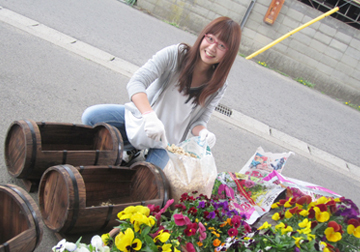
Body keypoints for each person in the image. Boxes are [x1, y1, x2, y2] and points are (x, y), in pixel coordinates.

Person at [82, 16, 241, 169]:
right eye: (211, 39)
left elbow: (198, 121)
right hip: (142, 121)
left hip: (167, 142)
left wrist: (204, 132)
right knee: (91, 116)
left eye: (221, 46)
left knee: (149, 177)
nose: (212, 48)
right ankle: (132, 147)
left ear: (229, 53)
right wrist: (149, 116)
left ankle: (135, 148)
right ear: (203, 36)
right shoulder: (176, 54)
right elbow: (137, 81)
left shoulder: (218, 85)